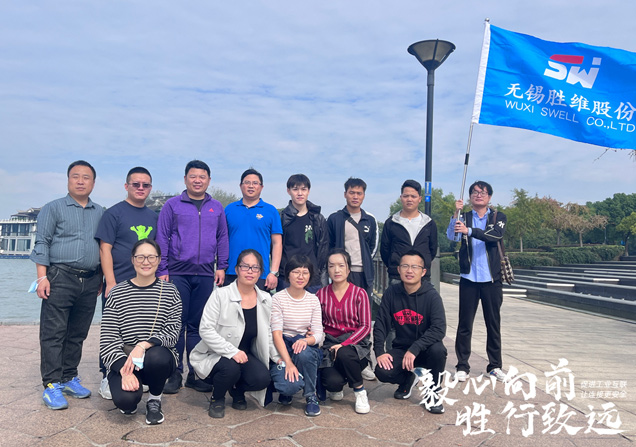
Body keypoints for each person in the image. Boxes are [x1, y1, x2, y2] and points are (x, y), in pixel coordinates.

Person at [30, 160, 104, 410]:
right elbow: (42, 242)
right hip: (60, 276)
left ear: (93, 183)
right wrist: (42, 277)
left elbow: (103, 247)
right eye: (75, 176)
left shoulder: (100, 212)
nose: (80, 181)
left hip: (91, 279)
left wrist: (101, 277)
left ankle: (69, 377)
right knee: (54, 333)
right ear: (68, 180)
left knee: (78, 333)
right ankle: (52, 384)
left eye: (86, 177)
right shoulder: (53, 208)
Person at [156, 160, 229, 394]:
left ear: (209, 180)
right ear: (185, 179)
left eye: (202, 177)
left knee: (199, 326)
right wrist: (162, 269)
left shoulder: (216, 207)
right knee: (176, 324)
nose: (197, 180)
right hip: (178, 273)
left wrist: (221, 266)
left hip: (206, 273)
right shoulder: (172, 205)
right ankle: (174, 372)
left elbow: (222, 237)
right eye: (193, 176)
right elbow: (162, 236)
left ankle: (196, 373)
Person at [190, 249, 279, 419]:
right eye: (245, 266)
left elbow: (268, 333)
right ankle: (217, 397)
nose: (250, 271)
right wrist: (232, 352)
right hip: (217, 354)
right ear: (237, 269)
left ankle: (237, 389)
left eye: (255, 268)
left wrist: (278, 358)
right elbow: (205, 330)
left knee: (262, 379)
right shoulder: (220, 295)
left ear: (260, 272)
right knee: (230, 367)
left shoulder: (266, 299)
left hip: (245, 354)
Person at [100, 239, 181, 425]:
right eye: (140, 257)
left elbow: (173, 332)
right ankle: (132, 393)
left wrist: (144, 345)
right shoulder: (117, 293)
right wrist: (124, 370)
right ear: (132, 260)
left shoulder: (170, 291)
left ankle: (154, 399)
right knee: (126, 401)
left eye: (151, 257)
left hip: (156, 357)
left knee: (157, 357)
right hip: (126, 358)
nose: (146, 262)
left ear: (159, 260)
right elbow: (108, 339)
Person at [95, 166, 158, 399]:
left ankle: (136, 373)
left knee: (141, 331)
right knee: (113, 333)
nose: (141, 188)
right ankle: (107, 375)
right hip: (119, 284)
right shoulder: (113, 213)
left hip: (145, 285)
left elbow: (156, 252)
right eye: (136, 184)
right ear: (126, 186)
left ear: (150, 188)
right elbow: (105, 249)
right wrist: (110, 282)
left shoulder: (154, 216)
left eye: (145, 185)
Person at [446, 180, 507, 383]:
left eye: (483, 192)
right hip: (469, 278)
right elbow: (453, 237)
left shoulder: (498, 217)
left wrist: (470, 231)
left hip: (491, 279)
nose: (478, 195)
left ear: (489, 197)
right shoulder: (463, 217)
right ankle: (462, 365)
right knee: (465, 324)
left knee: (493, 323)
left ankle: (495, 366)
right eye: (474, 192)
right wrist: (455, 214)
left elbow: (494, 236)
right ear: (470, 196)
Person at [373, 250, 447, 414]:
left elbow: (439, 328)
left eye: (415, 267)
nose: (409, 270)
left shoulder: (432, 296)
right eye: (405, 266)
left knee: (438, 350)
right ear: (399, 269)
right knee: (382, 371)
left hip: (426, 349)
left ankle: (432, 392)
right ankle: (407, 379)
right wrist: (379, 352)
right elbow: (381, 324)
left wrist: (415, 348)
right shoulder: (391, 293)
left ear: (423, 271)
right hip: (402, 348)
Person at [327, 177, 378, 381]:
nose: (355, 196)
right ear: (345, 194)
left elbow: (373, 247)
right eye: (352, 192)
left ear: (363, 195)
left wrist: (362, 264)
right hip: (340, 274)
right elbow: (330, 245)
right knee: (340, 316)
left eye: (359, 193)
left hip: (362, 274)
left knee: (364, 319)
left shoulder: (370, 220)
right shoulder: (335, 218)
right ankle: (340, 354)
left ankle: (364, 361)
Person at [316, 249, 372, 414]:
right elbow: (317, 323)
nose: (336, 270)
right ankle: (341, 380)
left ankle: (360, 391)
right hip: (330, 345)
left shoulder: (359, 293)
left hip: (356, 346)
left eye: (341, 265)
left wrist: (345, 344)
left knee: (344, 353)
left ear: (348, 269)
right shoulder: (321, 294)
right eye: (331, 266)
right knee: (332, 383)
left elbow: (366, 326)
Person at [270, 255, 324, 417]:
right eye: (296, 272)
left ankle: (311, 395)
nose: (300, 277)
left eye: (305, 273)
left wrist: (305, 340)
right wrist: (288, 363)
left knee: (304, 352)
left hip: (305, 349)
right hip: (283, 347)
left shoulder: (313, 300)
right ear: (288, 274)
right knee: (288, 387)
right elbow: (277, 333)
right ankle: (288, 389)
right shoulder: (277, 298)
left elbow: (318, 334)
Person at [224, 168, 282, 291]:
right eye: (247, 182)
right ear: (240, 186)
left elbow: (277, 243)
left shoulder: (271, 211)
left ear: (261, 187)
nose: (251, 186)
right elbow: (221, 240)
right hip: (231, 272)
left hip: (260, 273)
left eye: (255, 183)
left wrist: (273, 272)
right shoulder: (229, 210)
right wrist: (221, 268)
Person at [279, 174, 328, 293]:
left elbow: (323, 249)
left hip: (311, 277)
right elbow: (275, 247)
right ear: (288, 191)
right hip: (287, 276)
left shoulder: (318, 218)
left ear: (308, 191)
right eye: (295, 189)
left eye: (303, 189)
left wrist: (318, 271)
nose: (300, 193)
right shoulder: (282, 218)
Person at [381, 180, 438, 283]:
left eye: (413, 196)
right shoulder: (391, 222)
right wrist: (395, 264)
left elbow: (432, 249)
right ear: (401, 198)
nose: (409, 199)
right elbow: (385, 250)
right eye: (406, 196)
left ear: (419, 199)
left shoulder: (429, 223)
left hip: (422, 277)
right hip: (397, 276)